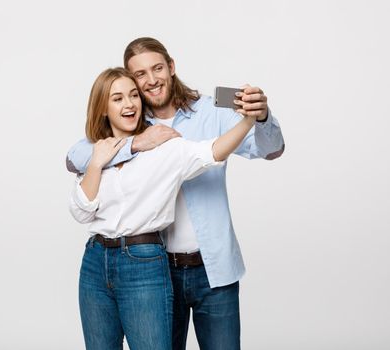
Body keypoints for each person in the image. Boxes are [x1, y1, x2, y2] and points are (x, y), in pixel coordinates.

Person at [67, 37, 285, 350]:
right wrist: (135, 144)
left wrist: (260, 117)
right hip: (156, 269)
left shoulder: (212, 110)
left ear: (171, 67)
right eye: (140, 75)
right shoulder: (133, 121)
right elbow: (75, 156)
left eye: (157, 68)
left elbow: (271, 149)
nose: (151, 80)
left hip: (214, 269)